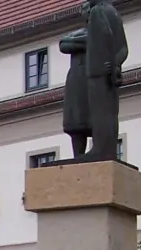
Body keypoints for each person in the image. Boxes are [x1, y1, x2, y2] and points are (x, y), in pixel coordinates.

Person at [77, 0, 128, 162]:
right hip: (104, 72)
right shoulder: (112, 12)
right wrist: (115, 65)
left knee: (100, 113)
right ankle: (106, 149)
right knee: (110, 113)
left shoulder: (98, 11)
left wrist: (111, 65)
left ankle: (100, 150)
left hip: (97, 72)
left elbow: (110, 40)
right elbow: (123, 48)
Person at [59, 27, 90, 159]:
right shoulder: (80, 32)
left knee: (94, 119)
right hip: (77, 79)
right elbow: (63, 45)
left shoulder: (106, 29)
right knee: (76, 121)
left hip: (96, 79)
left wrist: (74, 41)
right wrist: (85, 41)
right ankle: (78, 156)